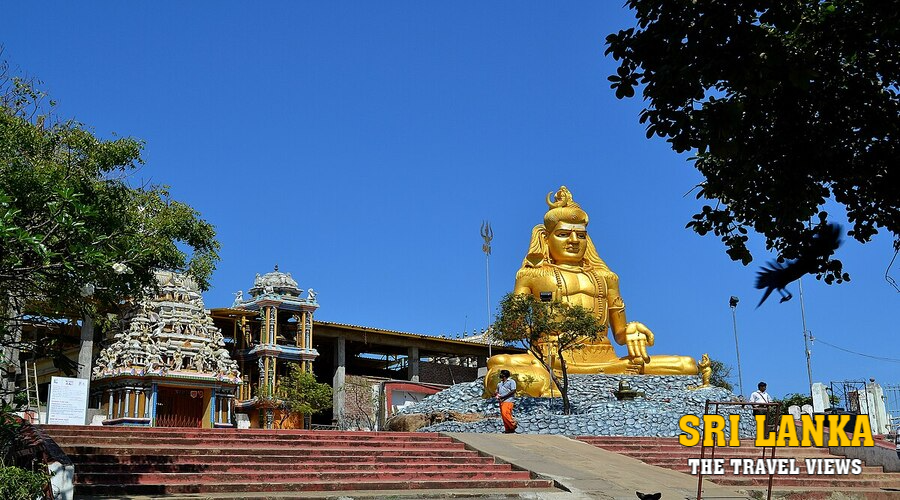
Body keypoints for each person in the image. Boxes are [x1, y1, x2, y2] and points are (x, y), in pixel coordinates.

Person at [486, 186, 698, 398]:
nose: (574, 241)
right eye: (563, 234)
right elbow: (513, 328)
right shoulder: (531, 276)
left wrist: (632, 331)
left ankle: (543, 387)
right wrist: (533, 326)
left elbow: (620, 334)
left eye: (581, 235)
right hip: (551, 359)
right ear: (545, 238)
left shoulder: (607, 278)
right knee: (499, 364)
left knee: (687, 365)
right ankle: (543, 385)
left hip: (607, 361)